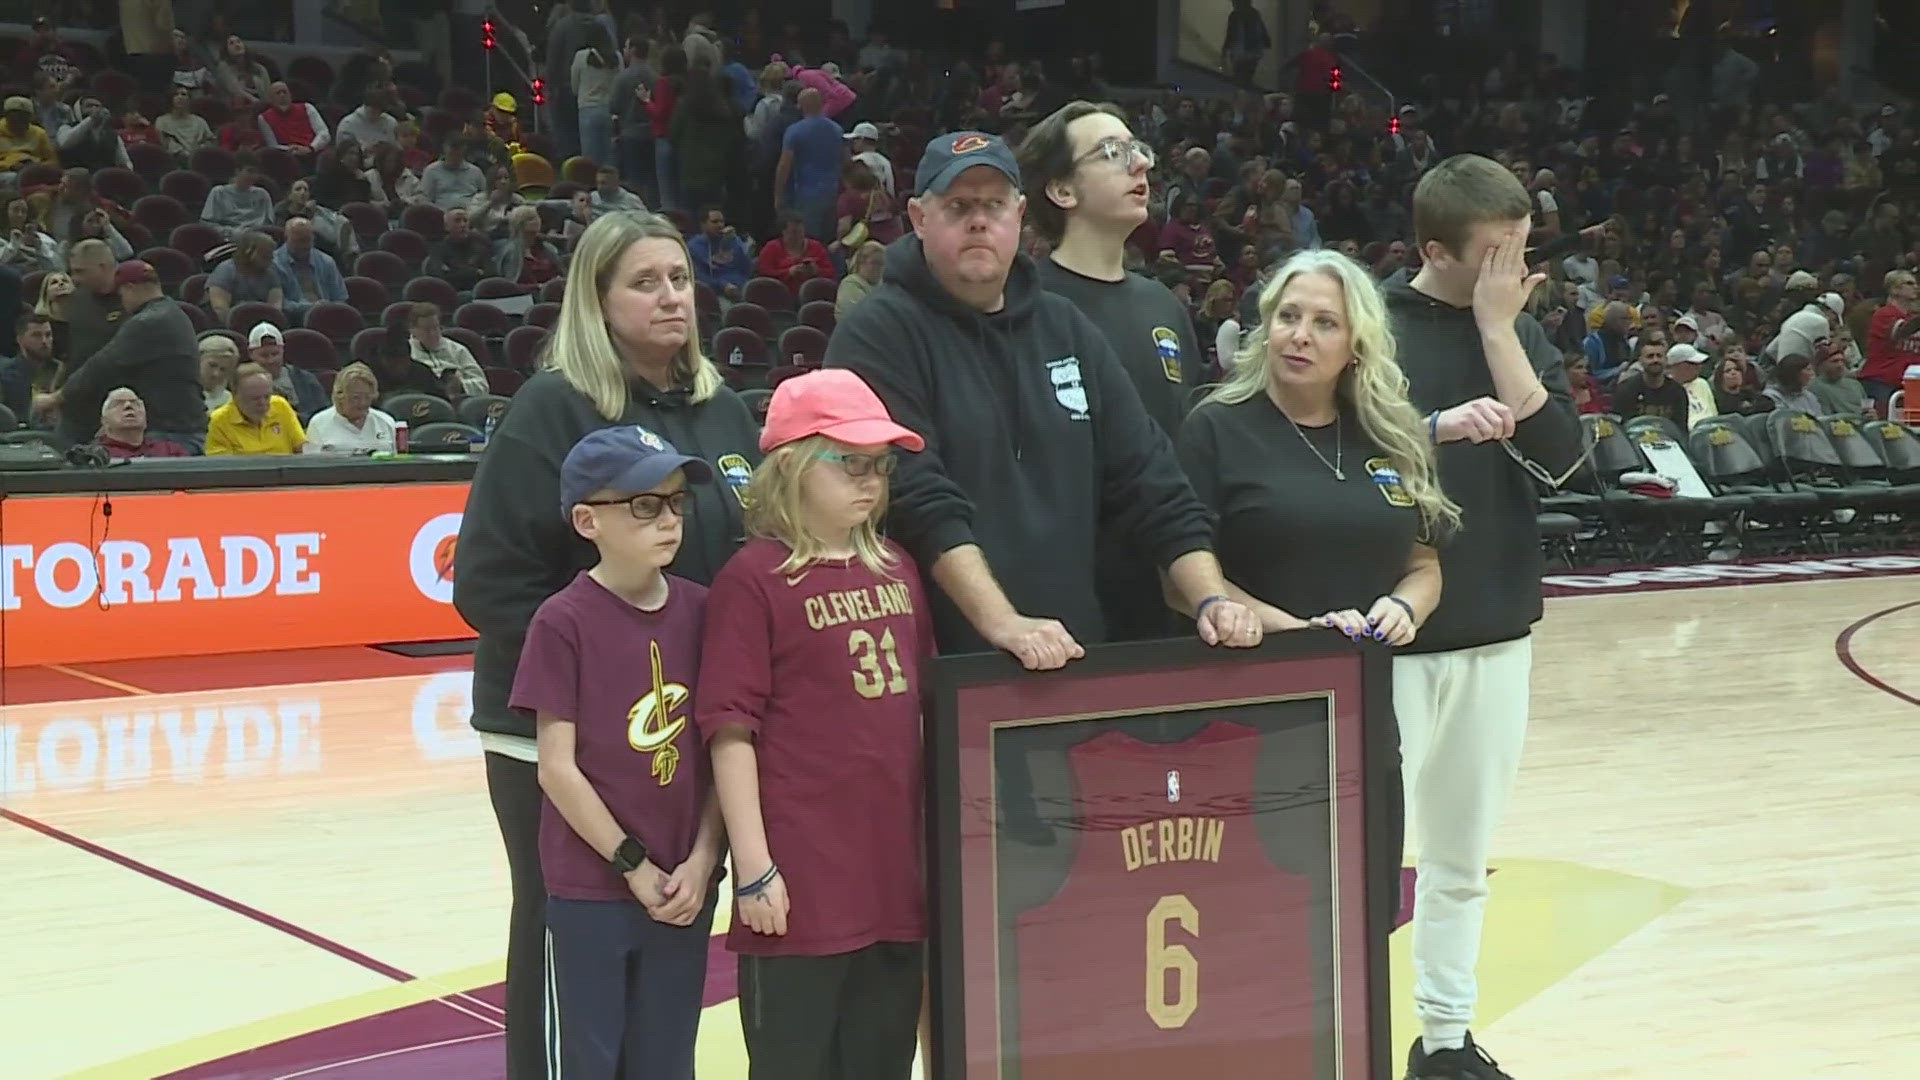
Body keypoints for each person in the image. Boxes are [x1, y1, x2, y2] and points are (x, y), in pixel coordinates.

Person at [452, 212, 761, 1080]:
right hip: (559, 741)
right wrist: (605, 680)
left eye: (679, 278)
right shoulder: (554, 407)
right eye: (644, 282)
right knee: (569, 935)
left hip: (686, 724)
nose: (671, 297)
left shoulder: (723, 409)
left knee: (672, 935)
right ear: (596, 300)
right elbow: (488, 580)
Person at [822, 129, 1262, 670]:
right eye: (958, 206)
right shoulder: (875, 333)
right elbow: (917, 499)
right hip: (939, 669)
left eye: (994, 204)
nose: (978, 220)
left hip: (1074, 661)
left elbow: (1152, 480)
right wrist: (1002, 623)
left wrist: (1211, 599)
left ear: (1020, 214)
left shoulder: (1064, 327)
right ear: (917, 217)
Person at [1177, 247, 1458, 933]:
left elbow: (1425, 566)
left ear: (1356, 345)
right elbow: (1181, 574)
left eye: (1324, 323)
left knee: (1361, 921)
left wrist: (1403, 607)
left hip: (1362, 716)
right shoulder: (1214, 427)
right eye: (1288, 317)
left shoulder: (1390, 436)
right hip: (1248, 718)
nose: (1300, 335)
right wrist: (1297, 633)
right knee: (1258, 924)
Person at [1380, 154, 1584, 1080]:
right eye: (1496, 255)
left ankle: (1448, 1042)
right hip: (1383, 630)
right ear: (1436, 249)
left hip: (1497, 624)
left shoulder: (1518, 330)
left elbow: (1563, 460)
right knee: (1360, 865)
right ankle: (1333, 1029)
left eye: (1523, 251)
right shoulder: (1370, 326)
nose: (1516, 272)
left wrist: (1502, 332)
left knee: (1461, 860)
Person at [698, 369, 932, 1079]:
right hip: (799, 889)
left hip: (895, 880)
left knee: (881, 1062)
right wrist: (754, 867)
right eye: (850, 463)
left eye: (880, 467)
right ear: (793, 468)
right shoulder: (754, 579)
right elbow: (730, 730)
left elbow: (922, 715)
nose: (869, 481)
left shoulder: (898, 568)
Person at [510, 424, 724, 1079]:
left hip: (684, 889)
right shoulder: (562, 621)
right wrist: (632, 864)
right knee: (589, 1059)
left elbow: (726, 751)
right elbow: (557, 767)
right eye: (643, 505)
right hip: (593, 891)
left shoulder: (705, 610)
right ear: (586, 520)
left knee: (667, 1060)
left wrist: (703, 859)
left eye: (676, 502)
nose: (667, 520)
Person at [1017, 101, 1208, 640]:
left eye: (1138, 150)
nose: (1140, 165)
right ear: (1062, 191)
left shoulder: (1163, 306)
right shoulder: (1025, 306)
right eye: (1112, 153)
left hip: (1165, 588)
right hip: (1064, 598)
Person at [37, 260, 207, 452]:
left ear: (130, 287)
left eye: (122, 294)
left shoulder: (147, 322)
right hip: (185, 427)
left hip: (171, 434)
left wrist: (55, 398)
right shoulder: (173, 313)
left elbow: (100, 367)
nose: (122, 301)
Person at [207, 361, 306, 455]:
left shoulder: (280, 406)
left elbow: (302, 448)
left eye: (267, 396)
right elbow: (221, 467)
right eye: (254, 398)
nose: (262, 403)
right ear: (235, 395)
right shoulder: (219, 420)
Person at [304, 362, 398, 453]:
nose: (363, 403)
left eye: (367, 397)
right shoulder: (318, 424)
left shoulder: (385, 422)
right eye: (356, 398)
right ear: (340, 395)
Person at [1862, 269, 1918, 414]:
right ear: (1894, 289)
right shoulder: (1884, 314)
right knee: (1884, 428)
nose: (1916, 287)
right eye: (1909, 283)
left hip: (1909, 383)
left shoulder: (1913, 317)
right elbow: (1901, 331)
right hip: (1881, 381)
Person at [1610, 338, 1690, 429]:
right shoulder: (1624, 390)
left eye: (1659, 356)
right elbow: (1618, 429)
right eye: (1650, 356)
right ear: (1640, 361)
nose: (1655, 360)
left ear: (1666, 360)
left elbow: (1681, 430)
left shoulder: (1678, 392)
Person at [93, 386, 190, 458]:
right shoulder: (94, 456)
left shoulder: (171, 451)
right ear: (104, 421)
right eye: (117, 403)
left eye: (136, 403)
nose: (128, 405)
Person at [756, 211, 834, 293]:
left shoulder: (816, 247)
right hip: (780, 294)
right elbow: (764, 274)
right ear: (784, 232)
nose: (799, 235)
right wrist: (789, 272)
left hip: (813, 293)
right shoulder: (771, 248)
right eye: (794, 232)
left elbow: (831, 273)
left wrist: (816, 271)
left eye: (801, 231)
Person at [688, 206, 751, 300]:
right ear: (703, 225)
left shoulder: (733, 240)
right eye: (715, 222)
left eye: (722, 221)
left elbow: (746, 268)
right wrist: (723, 286)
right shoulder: (694, 246)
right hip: (715, 293)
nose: (720, 225)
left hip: (741, 288)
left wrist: (738, 243)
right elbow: (699, 276)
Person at [836, 240, 884, 318]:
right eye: (875, 262)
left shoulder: (883, 285)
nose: (879, 268)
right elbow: (858, 315)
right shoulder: (850, 284)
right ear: (861, 262)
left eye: (882, 263)